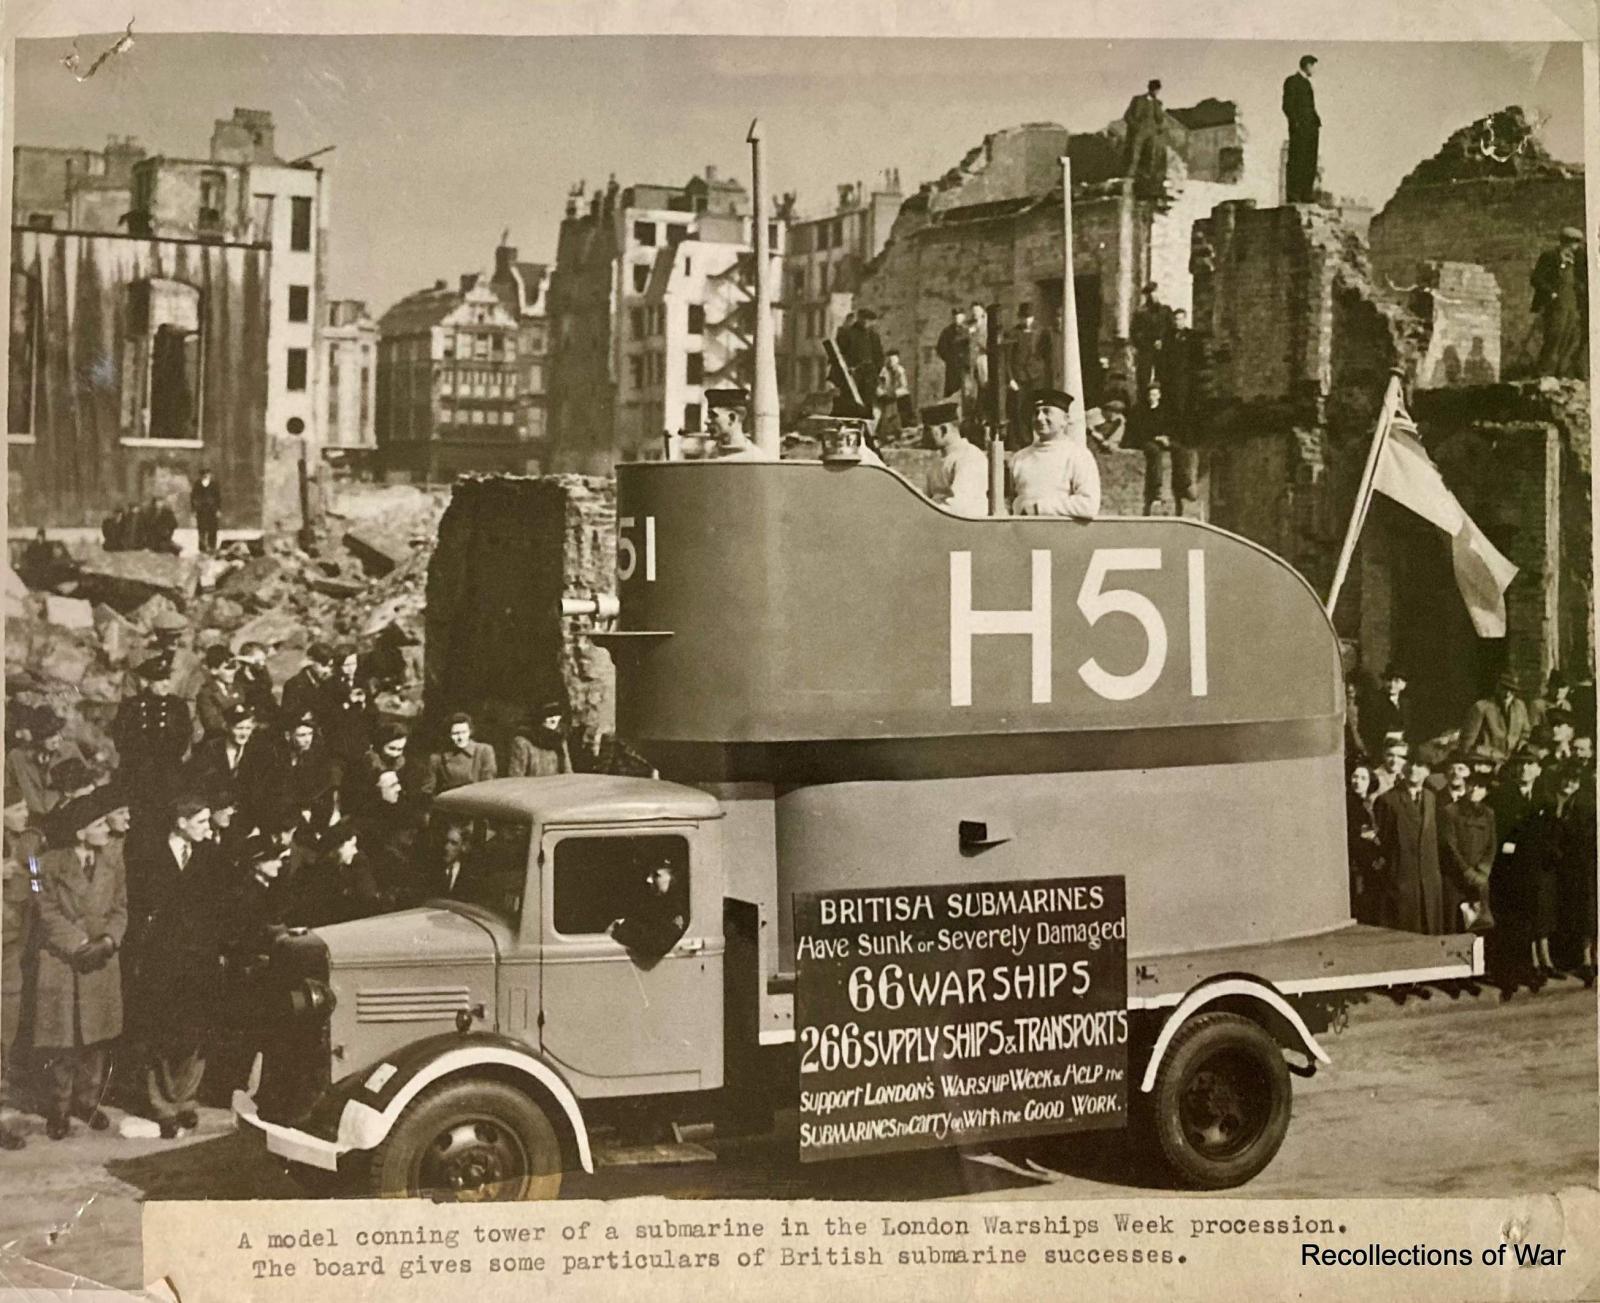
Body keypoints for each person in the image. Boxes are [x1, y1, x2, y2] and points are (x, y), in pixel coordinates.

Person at [34, 788, 126, 1140]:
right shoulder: (45, 864)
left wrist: (108, 941)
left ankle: (87, 1102)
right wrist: (79, 943)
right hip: (64, 963)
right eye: (100, 823)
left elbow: (121, 908)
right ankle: (59, 1108)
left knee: (96, 1039)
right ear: (79, 831)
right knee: (64, 1041)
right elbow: (45, 911)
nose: (107, 828)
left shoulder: (114, 860)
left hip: (101, 961)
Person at [128, 796, 222, 1138]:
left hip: (199, 957)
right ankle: (161, 1104)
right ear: (180, 822)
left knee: (195, 1031)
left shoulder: (210, 856)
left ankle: (186, 1099)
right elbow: (140, 905)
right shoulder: (151, 857)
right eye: (200, 823)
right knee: (162, 1033)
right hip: (162, 958)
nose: (208, 829)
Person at [1, 796, 40, 1149]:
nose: (25, 815)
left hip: (13, 949)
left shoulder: (27, 843)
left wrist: (36, 888)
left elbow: (38, 879)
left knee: (6, 1034)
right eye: (17, 809)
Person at [111, 654, 192, 817]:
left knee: (166, 815)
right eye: (159, 680)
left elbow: (183, 738)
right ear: (147, 682)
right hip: (137, 773)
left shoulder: (177, 706)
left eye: (167, 678)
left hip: (168, 774)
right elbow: (120, 739)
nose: (165, 684)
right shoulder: (131, 706)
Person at [1373, 753, 1442, 934]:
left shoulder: (1432, 798)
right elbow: (1384, 843)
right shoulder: (1387, 801)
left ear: (1428, 770)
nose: (1414, 769)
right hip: (1402, 883)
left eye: (1420, 765)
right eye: (1410, 763)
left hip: (1429, 885)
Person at [1009, 389, 1101, 520]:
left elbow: (1088, 505)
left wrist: (1039, 508)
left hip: (1061, 535)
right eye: (1036, 413)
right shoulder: (1019, 458)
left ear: (1065, 420)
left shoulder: (1078, 456)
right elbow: (1008, 501)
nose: (1040, 418)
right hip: (1020, 535)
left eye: (1047, 411)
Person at [1438, 759, 1496, 933]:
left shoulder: (1488, 813)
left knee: (1479, 926)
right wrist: (1467, 872)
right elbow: (1450, 846)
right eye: (1472, 786)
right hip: (1456, 878)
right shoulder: (1450, 811)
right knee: (1454, 923)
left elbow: (1491, 844)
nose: (1475, 791)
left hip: (1480, 879)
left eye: (1480, 787)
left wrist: (1483, 871)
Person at [1530, 227, 1589, 380]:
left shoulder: (1578, 261)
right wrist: (1551, 293)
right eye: (1572, 244)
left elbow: (1582, 279)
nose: (1575, 248)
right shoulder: (1549, 256)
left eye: (1576, 244)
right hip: (1555, 304)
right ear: (1564, 243)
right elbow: (1536, 278)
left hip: (1572, 303)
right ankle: (1543, 372)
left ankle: (1560, 373)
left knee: (1569, 337)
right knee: (1554, 336)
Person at [607, 857, 689, 962]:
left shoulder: (679, 907)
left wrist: (620, 928)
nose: (648, 880)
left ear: (674, 878)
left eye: (656, 875)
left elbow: (658, 942)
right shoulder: (657, 903)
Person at [922, 401, 989, 518]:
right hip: (938, 521)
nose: (923, 436)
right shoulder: (937, 462)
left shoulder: (970, 457)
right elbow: (924, 498)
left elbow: (960, 506)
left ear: (943, 430)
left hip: (964, 527)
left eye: (927, 430)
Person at [1003, 303, 1053, 445]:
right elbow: (1007, 359)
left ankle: (1038, 438)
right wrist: (1011, 379)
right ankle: (1022, 441)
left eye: (1029, 317)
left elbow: (1047, 356)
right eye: (1024, 318)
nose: (1027, 321)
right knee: (1019, 410)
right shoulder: (1013, 333)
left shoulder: (1041, 332)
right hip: (1019, 378)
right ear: (1019, 318)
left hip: (1037, 377)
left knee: (1036, 409)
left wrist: (1045, 377)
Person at [1460, 671, 1531, 764]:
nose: (1507, 694)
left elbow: (1526, 733)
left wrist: (1522, 743)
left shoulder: (1520, 706)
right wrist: (1491, 753)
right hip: (1486, 763)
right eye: (1504, 688)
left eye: (1512, 690)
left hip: (1512, 763)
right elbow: (1466, 746)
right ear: (1498, 686)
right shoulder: (1481, 707)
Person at [1345, 761, 1382, 926]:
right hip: (1360, 864)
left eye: (1362, 778)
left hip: (1372, 863)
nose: (1357, 781)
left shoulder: (1370, 805)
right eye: (1355, 777)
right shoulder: (1349, 805)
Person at [1282, 54, 1321, 204]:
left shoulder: (1307, 83)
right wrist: (1295, 123)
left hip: (1311, 128)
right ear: (1308, 65)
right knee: (1297, 159)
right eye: (1314, 66)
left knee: (1310, 161)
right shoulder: (1292, 81)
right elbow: (1287, 105)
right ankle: (1294, 194)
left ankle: (1306, 193)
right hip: (1300, 128)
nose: (1315, 71)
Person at [427, 714, 498, 796]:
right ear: (449, 735)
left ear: (470, 732)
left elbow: (488, 784)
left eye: (464, 732)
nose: (460, 737)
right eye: (455, 733)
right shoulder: (437, 759)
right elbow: (429, 791)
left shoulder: (483, 751)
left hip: (477, 802)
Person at [1130, 283, 1173, 403]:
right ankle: (1143, 405)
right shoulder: (1140, 312)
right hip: (1146, 351)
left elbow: (1172, 330)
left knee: (1163, 377)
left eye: (1155, 292)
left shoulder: (1166, 311)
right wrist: (1149, 342)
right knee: (1143, 379)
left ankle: (1164, 405)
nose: (1153, 296)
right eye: (1150, 293)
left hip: (1163, 352)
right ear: (1146, 295)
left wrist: (1163, 342)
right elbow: (1135, 333)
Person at [280, 642, 336, 732]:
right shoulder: (294, 684)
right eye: (323, 665)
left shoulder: (331, 682)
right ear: (311, 661)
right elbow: (287, 718)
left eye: (331, 666)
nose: (327, 670)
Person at [507, 703, 574, 778]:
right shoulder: (522, 743)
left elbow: (568, 775)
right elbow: (515, 779)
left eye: (557, 714)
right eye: (549, 714)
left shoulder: (560, 741)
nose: (554, 719)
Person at [1123, 78, 1168, 184]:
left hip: (1152, 132)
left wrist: (1159, 128)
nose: (1156, 92)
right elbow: (1127, 116)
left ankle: (1146, 178)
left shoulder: (1158, 103)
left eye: (1157, 90)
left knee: (1150, 156)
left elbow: (1160, 119)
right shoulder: (1138, 100)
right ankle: (1130, 177)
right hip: (1139, 132)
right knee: (1135, 154)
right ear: (1150, 89)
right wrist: (1136, 127)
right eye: (1155, 89)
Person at [194, 646, 244, 741]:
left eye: (234, 667)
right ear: (214, 670)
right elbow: (212, 722)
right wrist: (235, 726)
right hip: (218, 739)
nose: (233, 672)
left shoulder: (237, 687)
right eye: (228, 668)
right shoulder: (206, 693)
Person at [705, 389, 769, 462]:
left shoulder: (756, 459)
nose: (706, 421)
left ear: (732, 418)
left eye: (713, 415)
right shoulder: (708, 455)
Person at [1363, 664, 1413, 754]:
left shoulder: (1406, 703)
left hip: (1404, 747)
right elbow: (1370, 729)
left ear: (1404, 685)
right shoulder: (1375, 702)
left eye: (1396, 681)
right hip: (1383, 748)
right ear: (1384, 681)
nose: (1392, 684)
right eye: (1389, 680)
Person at [232, 642, 277, 724]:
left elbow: (267, 686)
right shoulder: (239, 676)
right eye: (258, 660)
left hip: (267, 711)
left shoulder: (262, 670)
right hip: (250, 715)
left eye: (263, 660)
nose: (262, 663)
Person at [936, 307, 972, 399]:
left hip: (967, 365)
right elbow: (941, 348)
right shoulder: (947, 331)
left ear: (964, 317)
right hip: (953, 367)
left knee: (967, 391)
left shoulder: (969, 330)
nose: (957, 319)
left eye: (959, 317)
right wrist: (950, 359)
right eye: (955, 317)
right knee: (952, 390)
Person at [191, 469, 222, 555]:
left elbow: (218, 498)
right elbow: (193, 498)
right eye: (204, 474)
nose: (207, 476)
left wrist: (218, 509)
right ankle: (202, 548)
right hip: (201, 511)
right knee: (201, 530)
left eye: (208, 474)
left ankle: (212, 548)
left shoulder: (214, 484)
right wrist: (194, 510)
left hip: (212, 511)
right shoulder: (197, 484)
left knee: (213, 530)